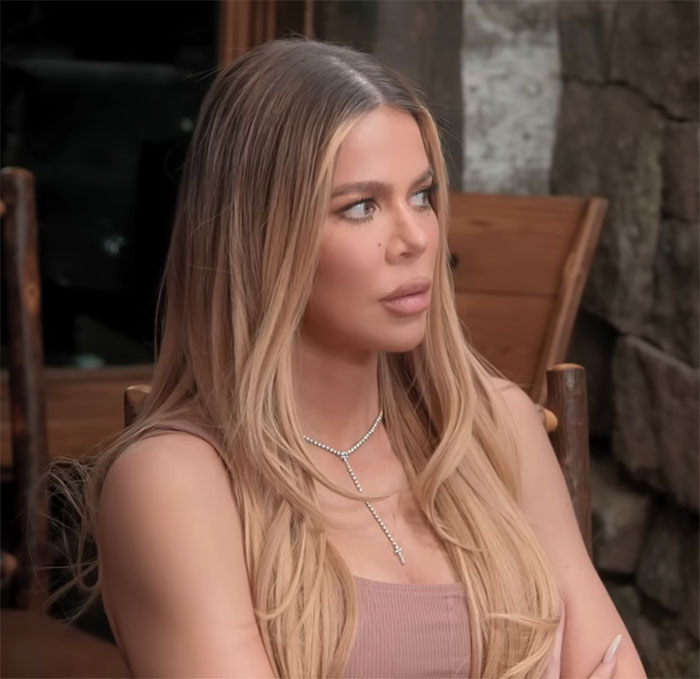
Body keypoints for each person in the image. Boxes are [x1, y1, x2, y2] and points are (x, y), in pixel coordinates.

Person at [62, 38, 646, 678]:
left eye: (421, 195)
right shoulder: (176, 483)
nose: (416, 238)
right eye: (361, 206)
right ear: (260, 237)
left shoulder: (494, 426)